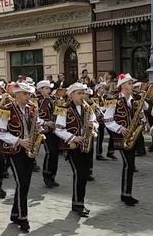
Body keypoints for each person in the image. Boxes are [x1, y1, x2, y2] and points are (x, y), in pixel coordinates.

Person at [0, 82, 44, 233]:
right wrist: (19, 141)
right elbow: (1, 132)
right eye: (25, 94)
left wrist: (39, 128)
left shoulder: (31, 109)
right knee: (21, 182)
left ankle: (15, 213)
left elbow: (35, 124)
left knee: (25, 184)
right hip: (14, 150)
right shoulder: (6, 109)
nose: (28, 96)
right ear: (16, 95)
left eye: (29, 94)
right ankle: (23, 218)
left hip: (28, 149)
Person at [103, 73, 148, 206]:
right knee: (128, 164)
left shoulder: (135, 99)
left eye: (132, 83)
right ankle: (126, 195)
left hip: (133, 134)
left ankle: (126, 193)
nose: (132, 85)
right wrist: (119, 129)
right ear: (122, 86)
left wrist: (142, 98)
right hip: (121, 136)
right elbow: (107, 120)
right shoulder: (114, 100)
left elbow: (145, 108)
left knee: (130, 164)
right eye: (129, 83)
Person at [55, 82, 98, 217]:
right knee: (79, 174)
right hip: (73, 146)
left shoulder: (87, 107)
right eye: (79, 93)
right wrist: (73, 138)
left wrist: (93, 125)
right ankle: (78, 204)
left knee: (84, 174)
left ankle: (79, 203)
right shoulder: (64, 108)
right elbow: (59, 129)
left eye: (83, 93)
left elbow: (95, 121)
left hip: (86, 144)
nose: (82, 96)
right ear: (72, 95)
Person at [36, 80, 60, 188]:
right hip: (44, 130)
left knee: (55, 153)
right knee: (50, 152)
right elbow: (35, 117)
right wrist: (46, 123)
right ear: (40, 90)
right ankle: (46, 176)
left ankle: (52, 176)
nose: (49, 90)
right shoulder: (36, 100)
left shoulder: (52, 99)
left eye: (49, 88)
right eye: (46, 88)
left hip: (54, 130)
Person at [94, 82, 116, 161]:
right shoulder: (95, 97)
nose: (104, 90)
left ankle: (110, 152)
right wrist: (105, 108)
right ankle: (98, 154)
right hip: (100, 119)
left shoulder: (105, 97)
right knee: (100, 137)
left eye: (104, 88)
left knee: (112, 134)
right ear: (98, 89)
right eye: (102, 88)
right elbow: (97, 108)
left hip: (107, 119)